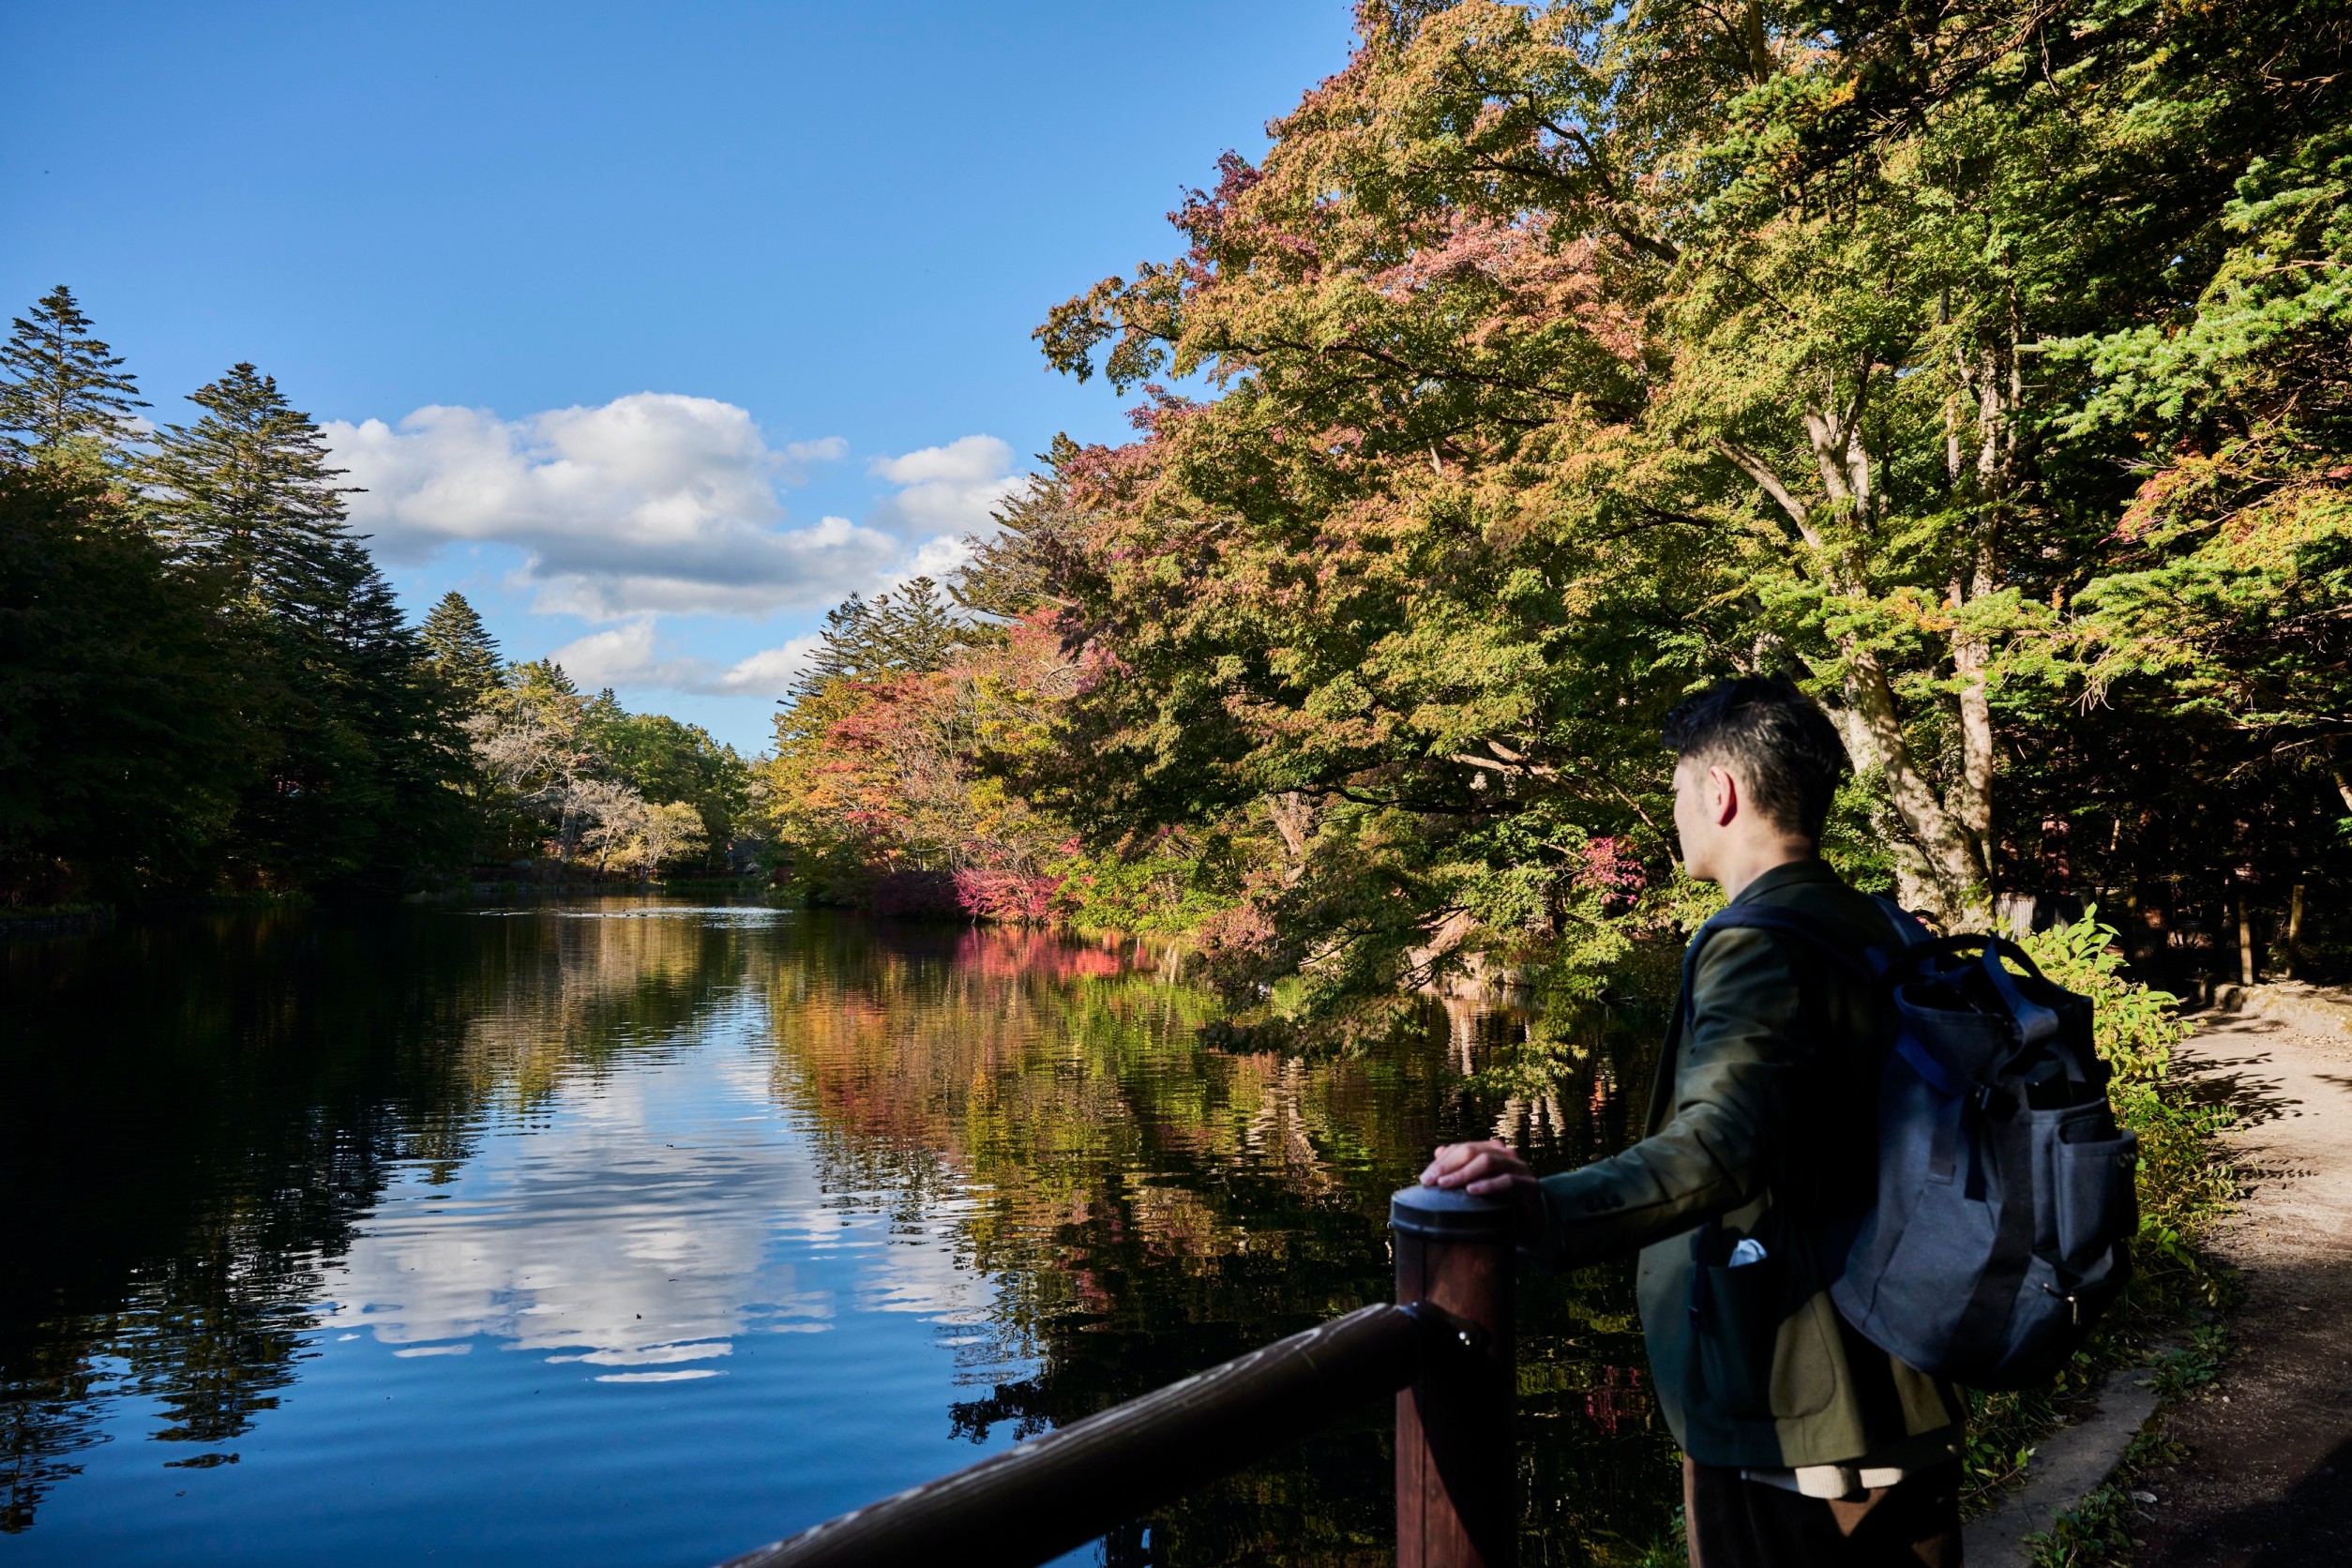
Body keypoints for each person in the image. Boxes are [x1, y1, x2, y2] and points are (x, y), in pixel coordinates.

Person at [1422, 676, 1966, 1568]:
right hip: (1904, 1368)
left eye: (1676, 788)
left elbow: (1722, 1143)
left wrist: (1546, 1206)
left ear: (1720, 791)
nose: (1674, 811)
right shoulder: (1881, 926)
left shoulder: (1756, 941)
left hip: (1795, 1406)